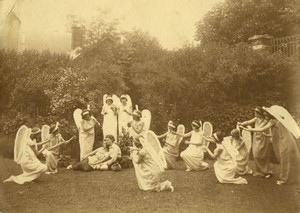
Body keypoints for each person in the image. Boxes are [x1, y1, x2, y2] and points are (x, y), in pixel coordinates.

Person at [241, 105, 300, 185]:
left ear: (270, 115)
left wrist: (248, 129)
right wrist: (268, 135)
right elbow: (280, 133)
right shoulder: (281, 120)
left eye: (266, 114)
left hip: (284, 143)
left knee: (284, 160)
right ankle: (292, 178)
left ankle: (284, 180)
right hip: (289, 142)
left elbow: (260, 129)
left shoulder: (273, 121)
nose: (265, 115)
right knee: (290, 160)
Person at [238, 107, 272, 178]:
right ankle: (259, 171)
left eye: (256, 112)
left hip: (263, 139)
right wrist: (241, 123)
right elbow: (248, 122)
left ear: (260, 113)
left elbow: (259, 129)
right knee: (255, 155)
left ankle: (266, 171)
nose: (254, 113)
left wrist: (247, 128)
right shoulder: (256, 119)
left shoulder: (265, 120)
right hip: (256, 138)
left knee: (262, 155)